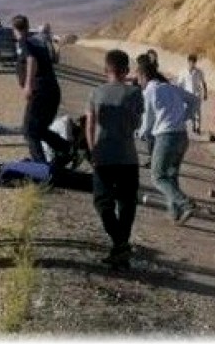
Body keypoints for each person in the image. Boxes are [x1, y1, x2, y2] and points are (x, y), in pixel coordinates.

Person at [85, 49, 144, 270]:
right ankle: (122, 246)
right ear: (126, 71)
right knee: (127, 203)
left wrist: (93, 151)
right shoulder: (135, 94)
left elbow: (89, 126)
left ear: (105, 70)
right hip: (128, 156)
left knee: (102, 202)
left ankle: (119, 245)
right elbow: (137, 124)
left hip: (103, 155)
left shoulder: (95, 93)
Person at [137, 55, 200, 225]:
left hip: (166, 137)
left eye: (138, 78)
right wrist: (184, 117)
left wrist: (142, 133)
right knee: (171, 175)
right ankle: (174, 213)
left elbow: (148, 117)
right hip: (181, 136)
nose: (138, 81)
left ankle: (186, 204)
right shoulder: (171, 88)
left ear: (143, 76)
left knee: (157, 177)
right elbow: (195, 100)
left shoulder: (150, 90)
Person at [13, 14, 70, 167]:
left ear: (14, 29)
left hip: (41, 92)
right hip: (51, 91)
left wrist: (28, 86)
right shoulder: (37, 43)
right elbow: (54, 59)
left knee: (29, 131)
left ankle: (40, 169)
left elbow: (31, 60)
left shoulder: (24, 42)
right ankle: (66, 149)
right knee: (39, 129)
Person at [176, 54, 208, 135]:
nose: (192, 64)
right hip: (187, 94)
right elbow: (179, 84)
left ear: (195, 63)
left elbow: (203, 83)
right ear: (188, 62)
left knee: (197, 111)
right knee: (189, 111)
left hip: (197, 94)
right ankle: (192, 125)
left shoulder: (199, 72)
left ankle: (198, 127)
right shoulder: (183, 72)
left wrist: (205, 93)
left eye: (194, 62)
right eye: (191, 62)